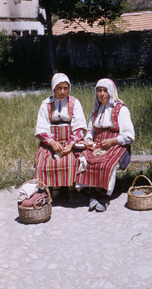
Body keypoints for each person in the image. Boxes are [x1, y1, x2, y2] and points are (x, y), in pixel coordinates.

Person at [75, 78, 135, 212]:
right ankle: (92, 192)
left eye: (105, 91)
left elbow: (130, 136)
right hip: (99, 144)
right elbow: (91, 132)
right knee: (84, 158)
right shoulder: (96, 111)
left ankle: (104, 196)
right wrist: (88, 140)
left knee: (107, 163)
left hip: (118, 145)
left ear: (111, 92)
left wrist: (113, 141)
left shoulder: (121, 109)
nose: (102, 94)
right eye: (99, 91)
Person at [34, 73, 87, 192]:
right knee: (43, 161)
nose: (62, 91)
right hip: (51, 141)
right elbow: (41, 128)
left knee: (72, 160)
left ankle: (71, 189)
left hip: (70, 141)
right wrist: (52, 142)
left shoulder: (74, 103)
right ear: (53, 88)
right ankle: (55, 188)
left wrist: (70, 144)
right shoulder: (46, 104)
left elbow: (79, 127)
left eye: (65, 88)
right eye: (59, 88)